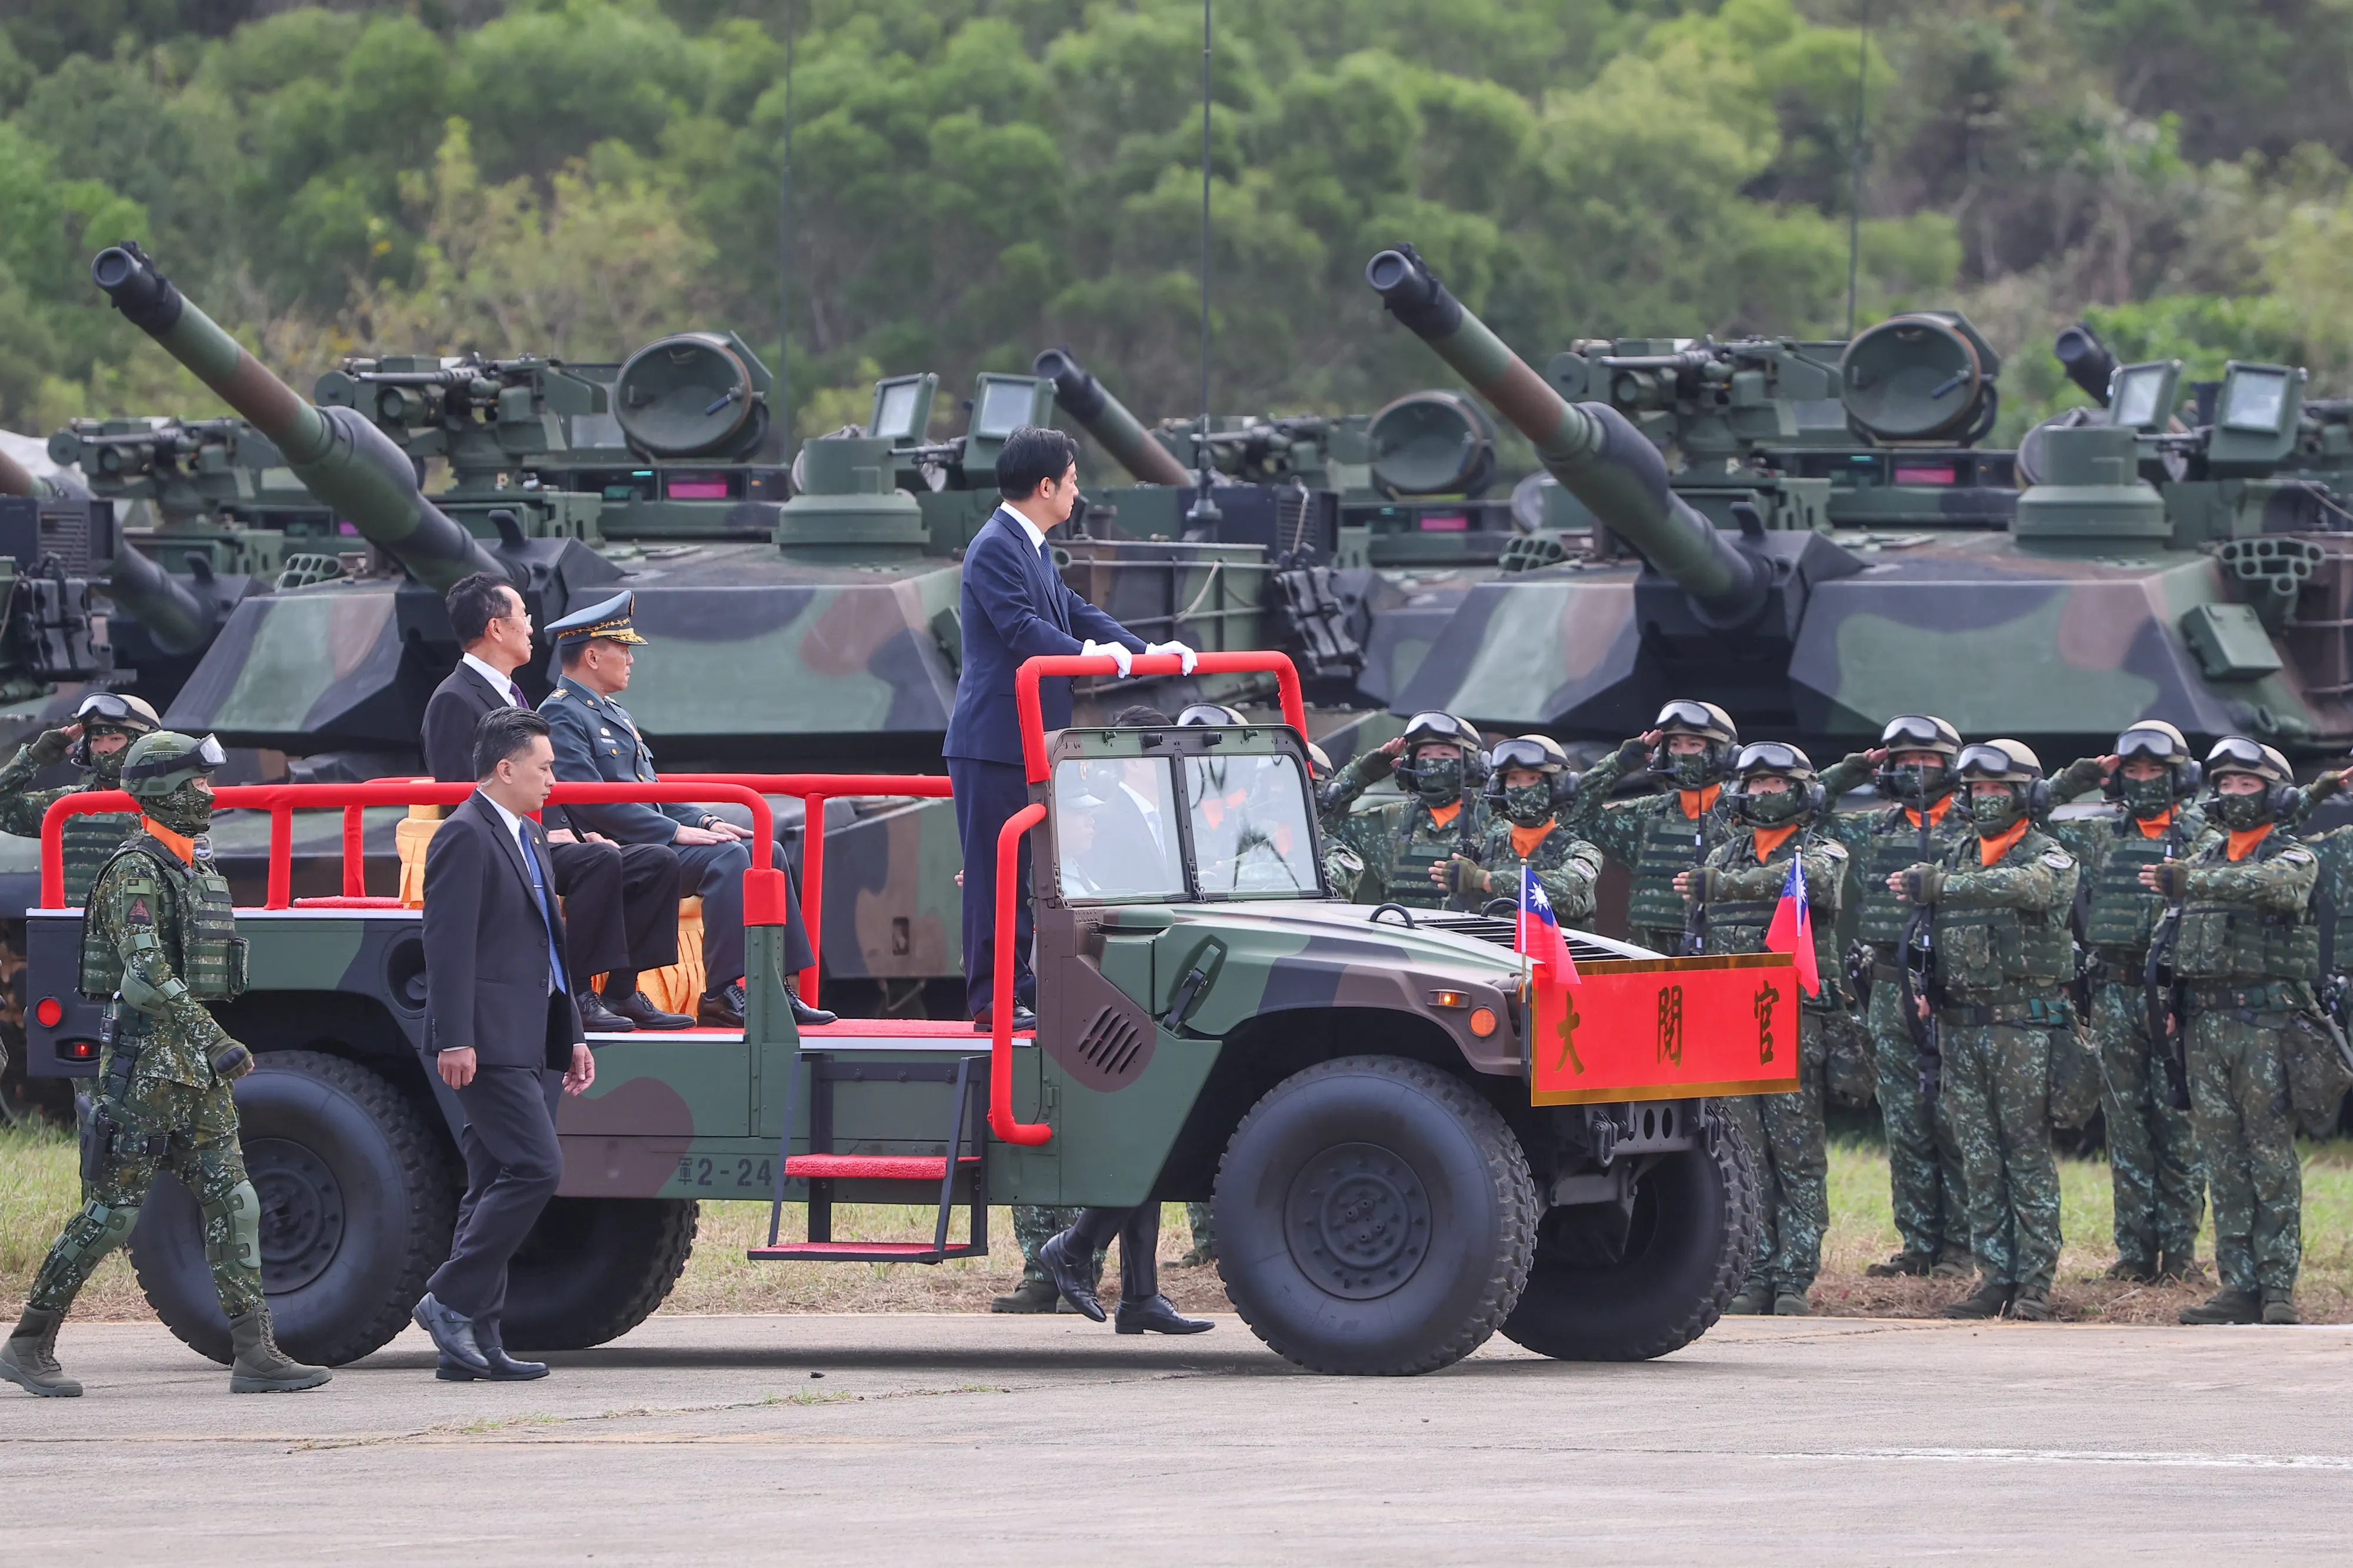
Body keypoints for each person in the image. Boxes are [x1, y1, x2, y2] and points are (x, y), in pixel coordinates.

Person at [2, 730, 329, 1397]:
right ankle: (28, 1342)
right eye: (197, 783)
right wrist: (214, 1040)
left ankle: (255, 1352)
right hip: (147, 1068)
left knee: (235, 1200)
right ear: (164, 791)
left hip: (194, 1072)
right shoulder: (136, 870)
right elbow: (144, 972)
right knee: (112, 1214)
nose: (208, 794)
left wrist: (205, 1049)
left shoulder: (192, 865)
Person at [941, 424, 1193, 1032]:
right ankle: (994, 999)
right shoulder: (995, 546)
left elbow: (1074, 610)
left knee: (1028, 871)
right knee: (993, 872)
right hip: (994, 738)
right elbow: (1021, 628)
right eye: (1073, 480)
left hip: (1029, 736)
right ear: (1045, 485)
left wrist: (1144, 650)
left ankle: (1020, 988)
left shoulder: (1030, 546)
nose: (1078, 492)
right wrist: (1093, 656)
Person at [539, 590, 834, 1030]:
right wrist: (672, 832)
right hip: (621, 848)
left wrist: (704, 820)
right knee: (728, 859)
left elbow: (652, 790)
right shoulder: (562, 713)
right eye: (622, 649)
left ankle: (776, 987)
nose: (631, 659)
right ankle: (721, 993)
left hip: (649, 838)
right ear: (593, 657)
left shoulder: (612, 713)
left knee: (765, 851)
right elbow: (594, 800)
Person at [410, 708, 599, 1381]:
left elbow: (550, 945)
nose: (553, 779)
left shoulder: (530, 834)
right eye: (544, 767)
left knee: (492, 1179)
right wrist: (455, 1036)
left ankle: (475, 1343)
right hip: (485, 1040)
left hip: (530, 1033)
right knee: (537, 1167)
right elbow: (447, 943)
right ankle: (448, 1298)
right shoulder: (464, 834)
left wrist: (572, 1032)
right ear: (505, 767)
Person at [424, 573, 692, 1033]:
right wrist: (545, 832)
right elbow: (460, 795)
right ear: (496, 628)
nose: (531, 627)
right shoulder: (454, 698)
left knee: (656, 861)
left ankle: (623, 990)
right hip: (499, 845)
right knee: (599, 861)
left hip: (537, 836)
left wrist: (574, 828)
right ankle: (578, 994)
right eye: (523, 616)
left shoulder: (512, 694)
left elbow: (544, 779)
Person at [1890, 739, 2077, 1322]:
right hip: (1960, 1028)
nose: (1986, 798)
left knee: (2025, 1155)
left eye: (1998, 788)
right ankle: (1995, 1277)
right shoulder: (1956, 852)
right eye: (1977, 789)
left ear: (2026, 794)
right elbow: (1932, 929)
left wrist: (1942, 885)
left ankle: (2034, 1284)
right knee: (1978, 1157)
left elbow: (2031, 888)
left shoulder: (2049, 854)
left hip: (2022, 1028)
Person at [2142, 739, 2325, 1326]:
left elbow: (2276, 886)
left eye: (2247, 784)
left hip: (2267, 1027)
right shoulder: (2201, 860)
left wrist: (2191, 881)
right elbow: (2168, 937)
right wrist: (2168, 1000)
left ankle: (2277, 1287)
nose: (2233, 793)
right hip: (2205, 1026)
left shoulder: (2292, 855)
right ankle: (2237, 1285)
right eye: (2225, 784)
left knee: (2269, 1156)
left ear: (2275, 793)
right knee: (2222, 1159)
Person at [1675, 742, 1846, 1315]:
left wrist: (1724, 886)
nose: (1764, 793)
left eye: (1776, 783)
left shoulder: (1821, 850)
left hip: (1793, 1021)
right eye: (1755, 784)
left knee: (1797, 1154)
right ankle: (1754, 1271)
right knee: (1744, 1153)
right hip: (1733, 1020)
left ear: (1801, 791)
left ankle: (1794, 1276)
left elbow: (1808, 880)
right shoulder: (1722, 854)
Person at [2044, 722, 2211, 1283]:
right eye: (2133, 771)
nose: (2143, 781)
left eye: (2155, 770)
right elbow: (2032, 815)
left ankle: (2181, 1258)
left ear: (2180, 777)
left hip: (2176, 996)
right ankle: (2135, 1255)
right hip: (2115, 993)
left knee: (2178, 1127)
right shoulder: (2099, 836)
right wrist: (2084, 775)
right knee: (2126, 1125)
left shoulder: (2204, 837)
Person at [1814, 715, 1974, 1280]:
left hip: (1950, 987)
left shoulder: (1973, 829)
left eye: (1927, 760)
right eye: (1904, 761)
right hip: (1887, 986)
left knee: (1953, 1118)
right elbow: (1809, 806)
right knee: (1905, 1120)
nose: (1915, 771)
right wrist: (1856, 768)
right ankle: (1919, 1243)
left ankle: (1961, 1247)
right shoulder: (1874, 828)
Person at [1564, 699, 1742, 953]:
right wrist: (1620, 763)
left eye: (1694, 745)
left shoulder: (1742, 815)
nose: (1682, 753)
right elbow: (1572, 817)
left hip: (1720, 955)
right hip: (1649, 954)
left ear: (1722, 753)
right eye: (1675, 745)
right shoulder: (1647, 814)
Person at [1317, 710, 1491, 911]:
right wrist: (1362, 773)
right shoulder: (1388, 821)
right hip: (1400, 929)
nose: (1432, 762)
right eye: (1424, 755)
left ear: (1472, 764)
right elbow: (1322, 824)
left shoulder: (1493, 825)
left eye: (1445, 754)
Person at [0, 690, 162, 905]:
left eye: (116, 739)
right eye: (96, 740)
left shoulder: (170, 806)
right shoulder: (67, 805)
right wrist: (34, 757)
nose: (104, 749)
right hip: (74, 923)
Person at [1448, 733, 1601, 922]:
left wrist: (1486, 880)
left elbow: (1563, 887)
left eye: (1533, 778)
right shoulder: (1484, 850)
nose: (1521, 787)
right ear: (1498, 788)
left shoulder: (1581, 852)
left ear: (1559, 788)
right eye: (1513, 779)